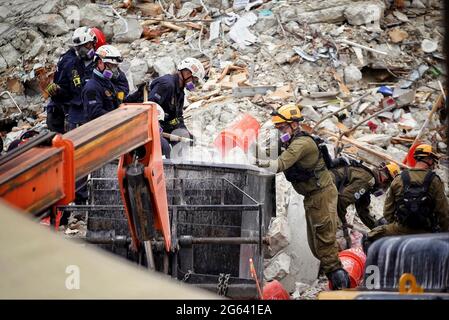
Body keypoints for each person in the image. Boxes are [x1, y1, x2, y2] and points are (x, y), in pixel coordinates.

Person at [254, 104, 350, 290]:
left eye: (282, 127)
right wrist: (251, 150)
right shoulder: (288, 140)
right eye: (278, 128)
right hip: (312, 196)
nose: (280, 131)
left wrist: (256, 162)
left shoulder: (302, 144)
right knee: (316, 246)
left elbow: (279, 164)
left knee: (324, 244)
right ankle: (333, 276)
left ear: (294, 125)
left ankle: (341, 286)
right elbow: (270, 152)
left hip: (321, 195)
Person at [363, 144, 449, 251]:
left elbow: (387, 212)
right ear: (428, 159)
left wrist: (398, 226)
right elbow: (443, 213)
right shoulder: (435, 181)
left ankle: (378, 265)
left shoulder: (398, 179)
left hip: (400, 228)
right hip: (426, 233)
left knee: (368, 238)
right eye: (433, 160)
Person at [125, 57, 205, 157]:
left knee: (183, 143)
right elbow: (149, 108)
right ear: (187, 74)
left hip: (161, 127)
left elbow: (177, 118)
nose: (194, 84)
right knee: (164, 147)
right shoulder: (167, 85)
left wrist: (186, 133)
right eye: (194, 80)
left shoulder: (180, 92)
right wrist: (156, 126)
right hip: (141, 125)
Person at [331, 160, 400, 247]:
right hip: (325, 190)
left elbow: (363, 211)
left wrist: (378, 229)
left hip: (328, 191)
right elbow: (342, 201)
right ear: (384, 175)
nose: (385, 186)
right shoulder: (367, 180)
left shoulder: (369, 182)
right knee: (336, 237)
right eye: (387, 182)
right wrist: (343, 223)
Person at [46, 27, 97, 132]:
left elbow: (117, 84)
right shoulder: (70, 65)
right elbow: (66, 94)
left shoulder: (102, 63)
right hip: (77, 116)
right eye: (79, 47)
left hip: (97, 112)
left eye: (86, 45)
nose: (82, 50)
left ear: (93, 43)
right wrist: (57, 91)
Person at [82, 45, 125, 122]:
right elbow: (95, 114)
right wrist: (117, 117)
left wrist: (138, 94)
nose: (115, 70)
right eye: (112, 65)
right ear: (100, 62)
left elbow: (117, 102)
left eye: (116, 66)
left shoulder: (107, 82)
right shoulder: (92, 87)